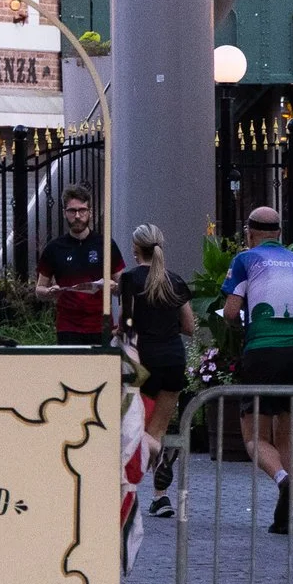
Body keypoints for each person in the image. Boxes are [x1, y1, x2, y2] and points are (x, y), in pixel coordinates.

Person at [218, 206, 293, 534]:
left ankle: (283, 480)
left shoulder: (246, 260)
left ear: (249, 233)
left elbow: (232, 312)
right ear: (280, 233)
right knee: (287, 436)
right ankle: (285, 516)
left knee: (254, 438)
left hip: (264, 353)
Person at [119, 222, 198, 518]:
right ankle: (160, 495)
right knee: (159, 430)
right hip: (174, 359)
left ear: (134, 249)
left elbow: (127, 324)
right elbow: (189, 327)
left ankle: (141, 475)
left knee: (137, 428)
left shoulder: (130, 280)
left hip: (144, 361)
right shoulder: (175, 280)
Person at [32, 186, 111, 345]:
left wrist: (112, 286)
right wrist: (49, 292)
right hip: (68, 327)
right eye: (72, 211)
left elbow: (121, 284)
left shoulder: (105, 244)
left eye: (82, 210)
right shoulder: (54, 248)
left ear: (90, 211)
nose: (77, 216)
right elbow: (39, 290)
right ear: (64, 212)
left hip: (100, 325)